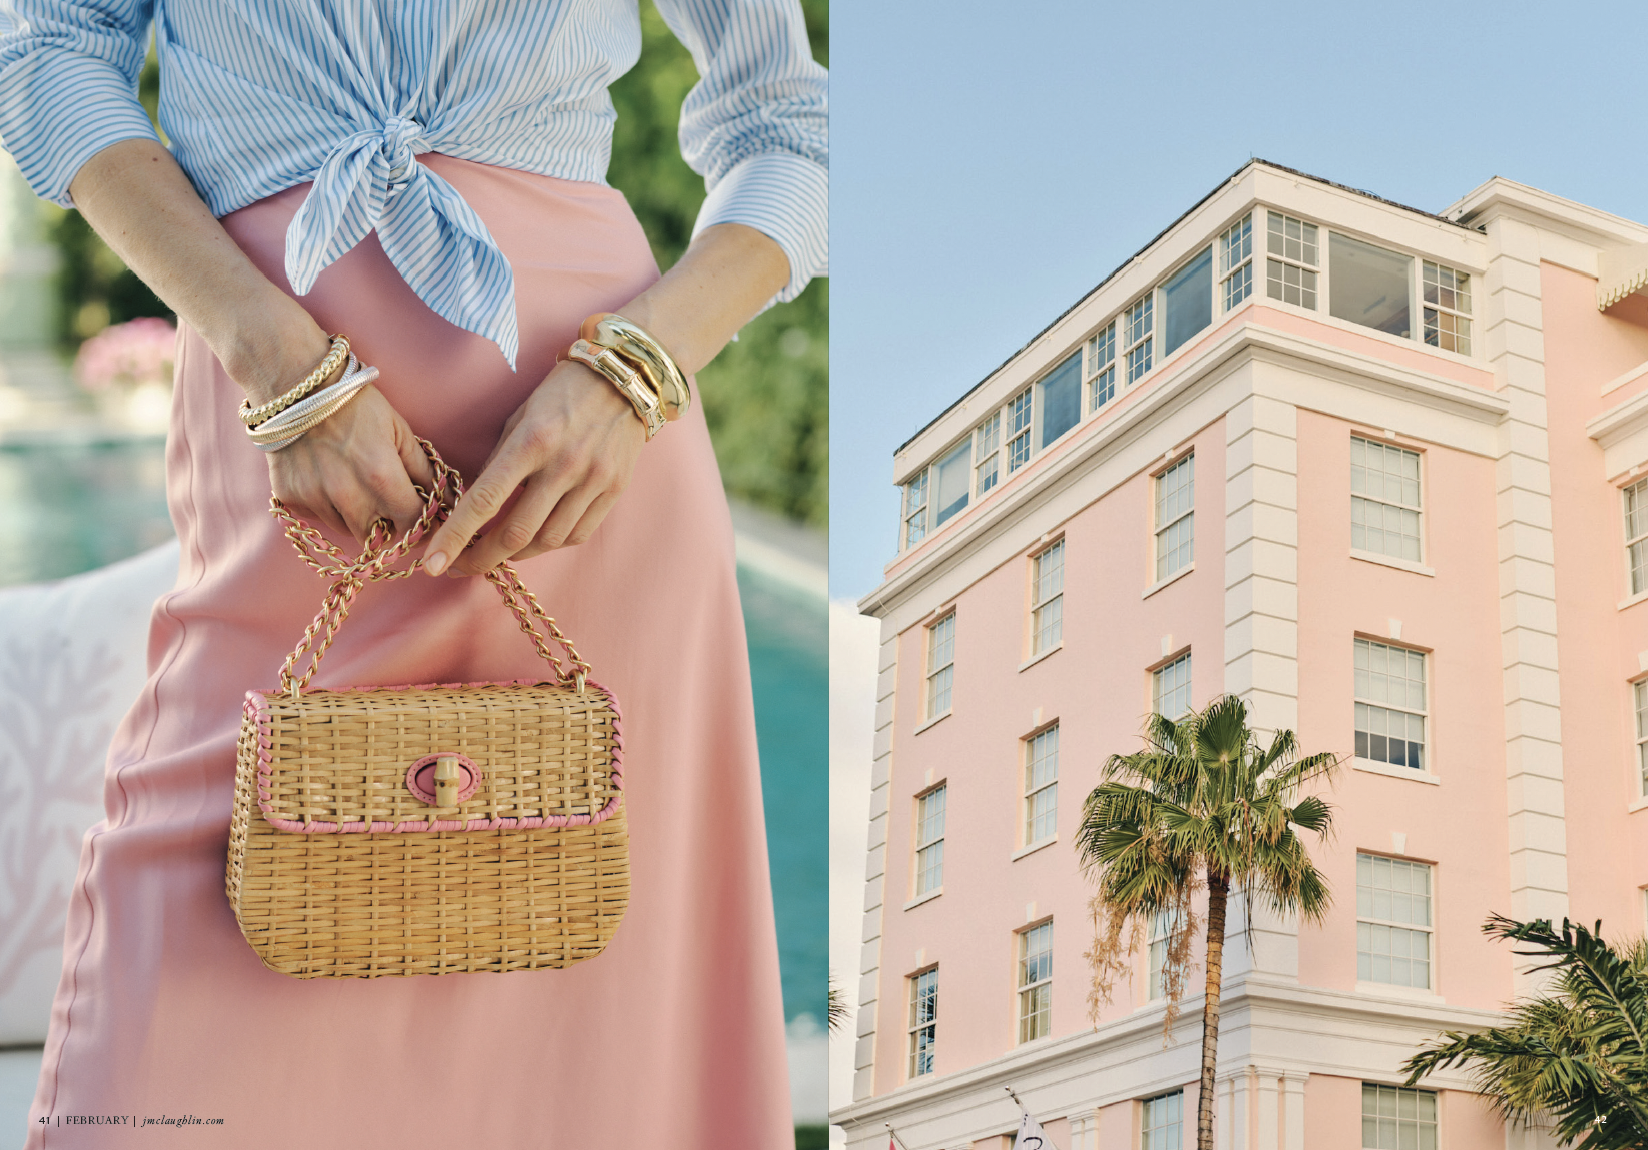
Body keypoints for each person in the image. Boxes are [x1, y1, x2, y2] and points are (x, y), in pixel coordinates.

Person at [0, 1, 825, 1146]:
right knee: (150, 1043)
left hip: (592, 476)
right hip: (285, 467)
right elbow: (46, 48)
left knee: (598, 1055)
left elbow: (786, 125)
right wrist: (265, 347)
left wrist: (640, 366)